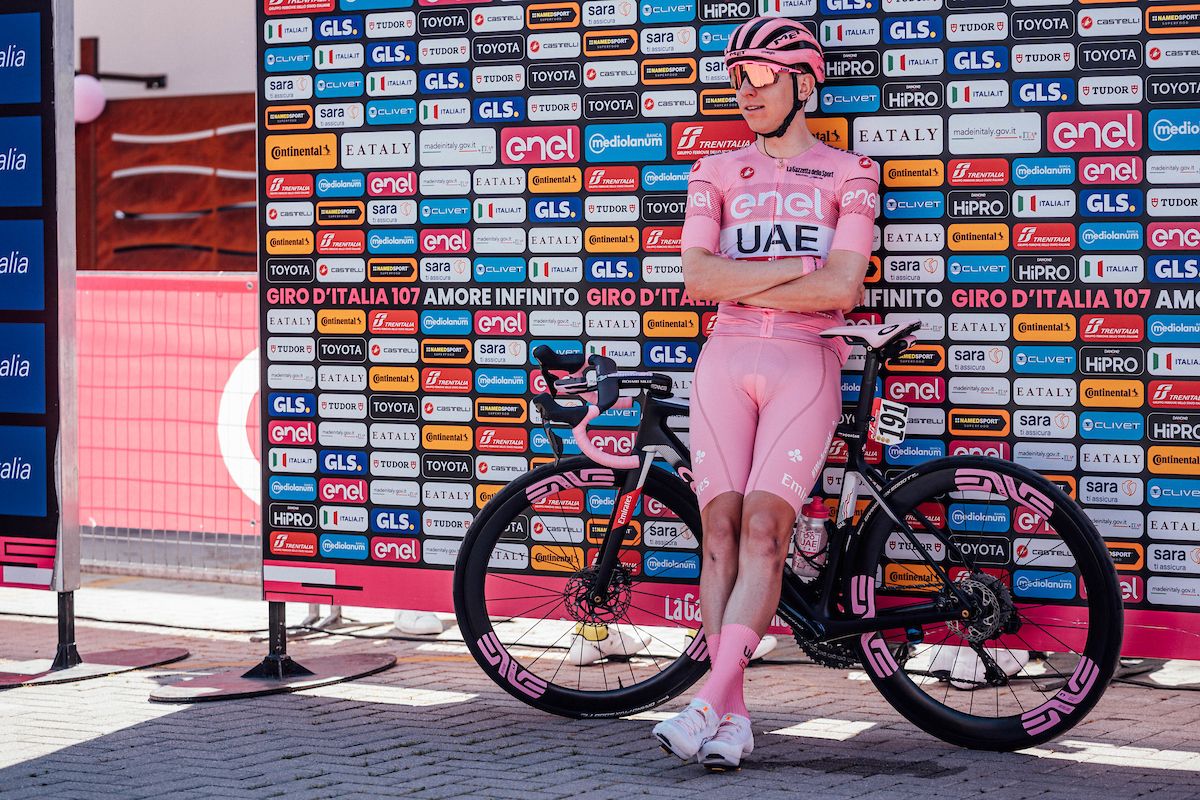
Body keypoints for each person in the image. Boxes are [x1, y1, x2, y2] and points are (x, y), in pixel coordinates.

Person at [651, 16, 880, 771]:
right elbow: (698, 279)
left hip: (805, 363)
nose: (742, 92)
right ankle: (732, 718)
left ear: (804, 83)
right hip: (726, 357)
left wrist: (758, 279)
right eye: (734, 79)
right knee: (717, 535)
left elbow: (843, 288)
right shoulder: (713, 171)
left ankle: (706, 703)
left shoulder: (851, 173)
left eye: (758, 78)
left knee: (762, 536)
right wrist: (797, 276)